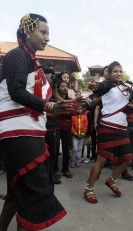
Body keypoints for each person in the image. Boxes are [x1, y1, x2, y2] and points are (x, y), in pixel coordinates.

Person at [0, 13, 71, 230]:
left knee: (21, 188)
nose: (47, 38)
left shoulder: (30, 59)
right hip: (19, 133)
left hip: (26, 133)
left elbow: (40, 98)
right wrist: (49, 106)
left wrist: (62, 105)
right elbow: (17, 91)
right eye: (43, 32)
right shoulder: (17, 55)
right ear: (28, 30)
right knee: (36, 191)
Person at [84, 61, 133, 204]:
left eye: (120, 71)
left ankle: (111, 181)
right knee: (101, 161)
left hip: (122, 128)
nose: (118, 74)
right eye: (115, 71)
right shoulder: (107, 85)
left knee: (128, 159)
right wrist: (95, 86)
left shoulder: (126, 86)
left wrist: (132, 91)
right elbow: (99, 88)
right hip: (106, 127)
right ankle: (89, 189)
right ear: (109, 74)